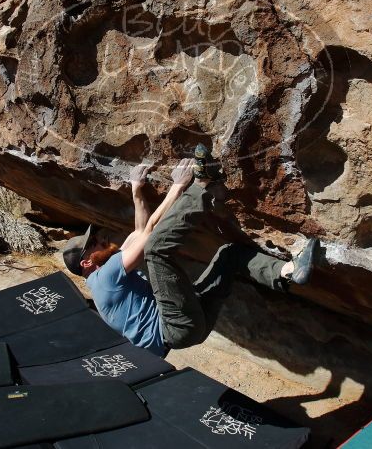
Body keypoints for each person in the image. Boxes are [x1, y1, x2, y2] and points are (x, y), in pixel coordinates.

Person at [62, 146, 319, 357]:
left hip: (191, 322)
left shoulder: (105, 275)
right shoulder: (103, 278)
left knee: (229, 255)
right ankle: (206, 183)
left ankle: (288, 271)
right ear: (86, 263)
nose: (100, 240)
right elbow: (149, 235)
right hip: (173, 327)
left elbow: (139, 229)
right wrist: (180, 186)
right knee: (156, 251)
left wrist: (136, 190)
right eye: (94, 243)